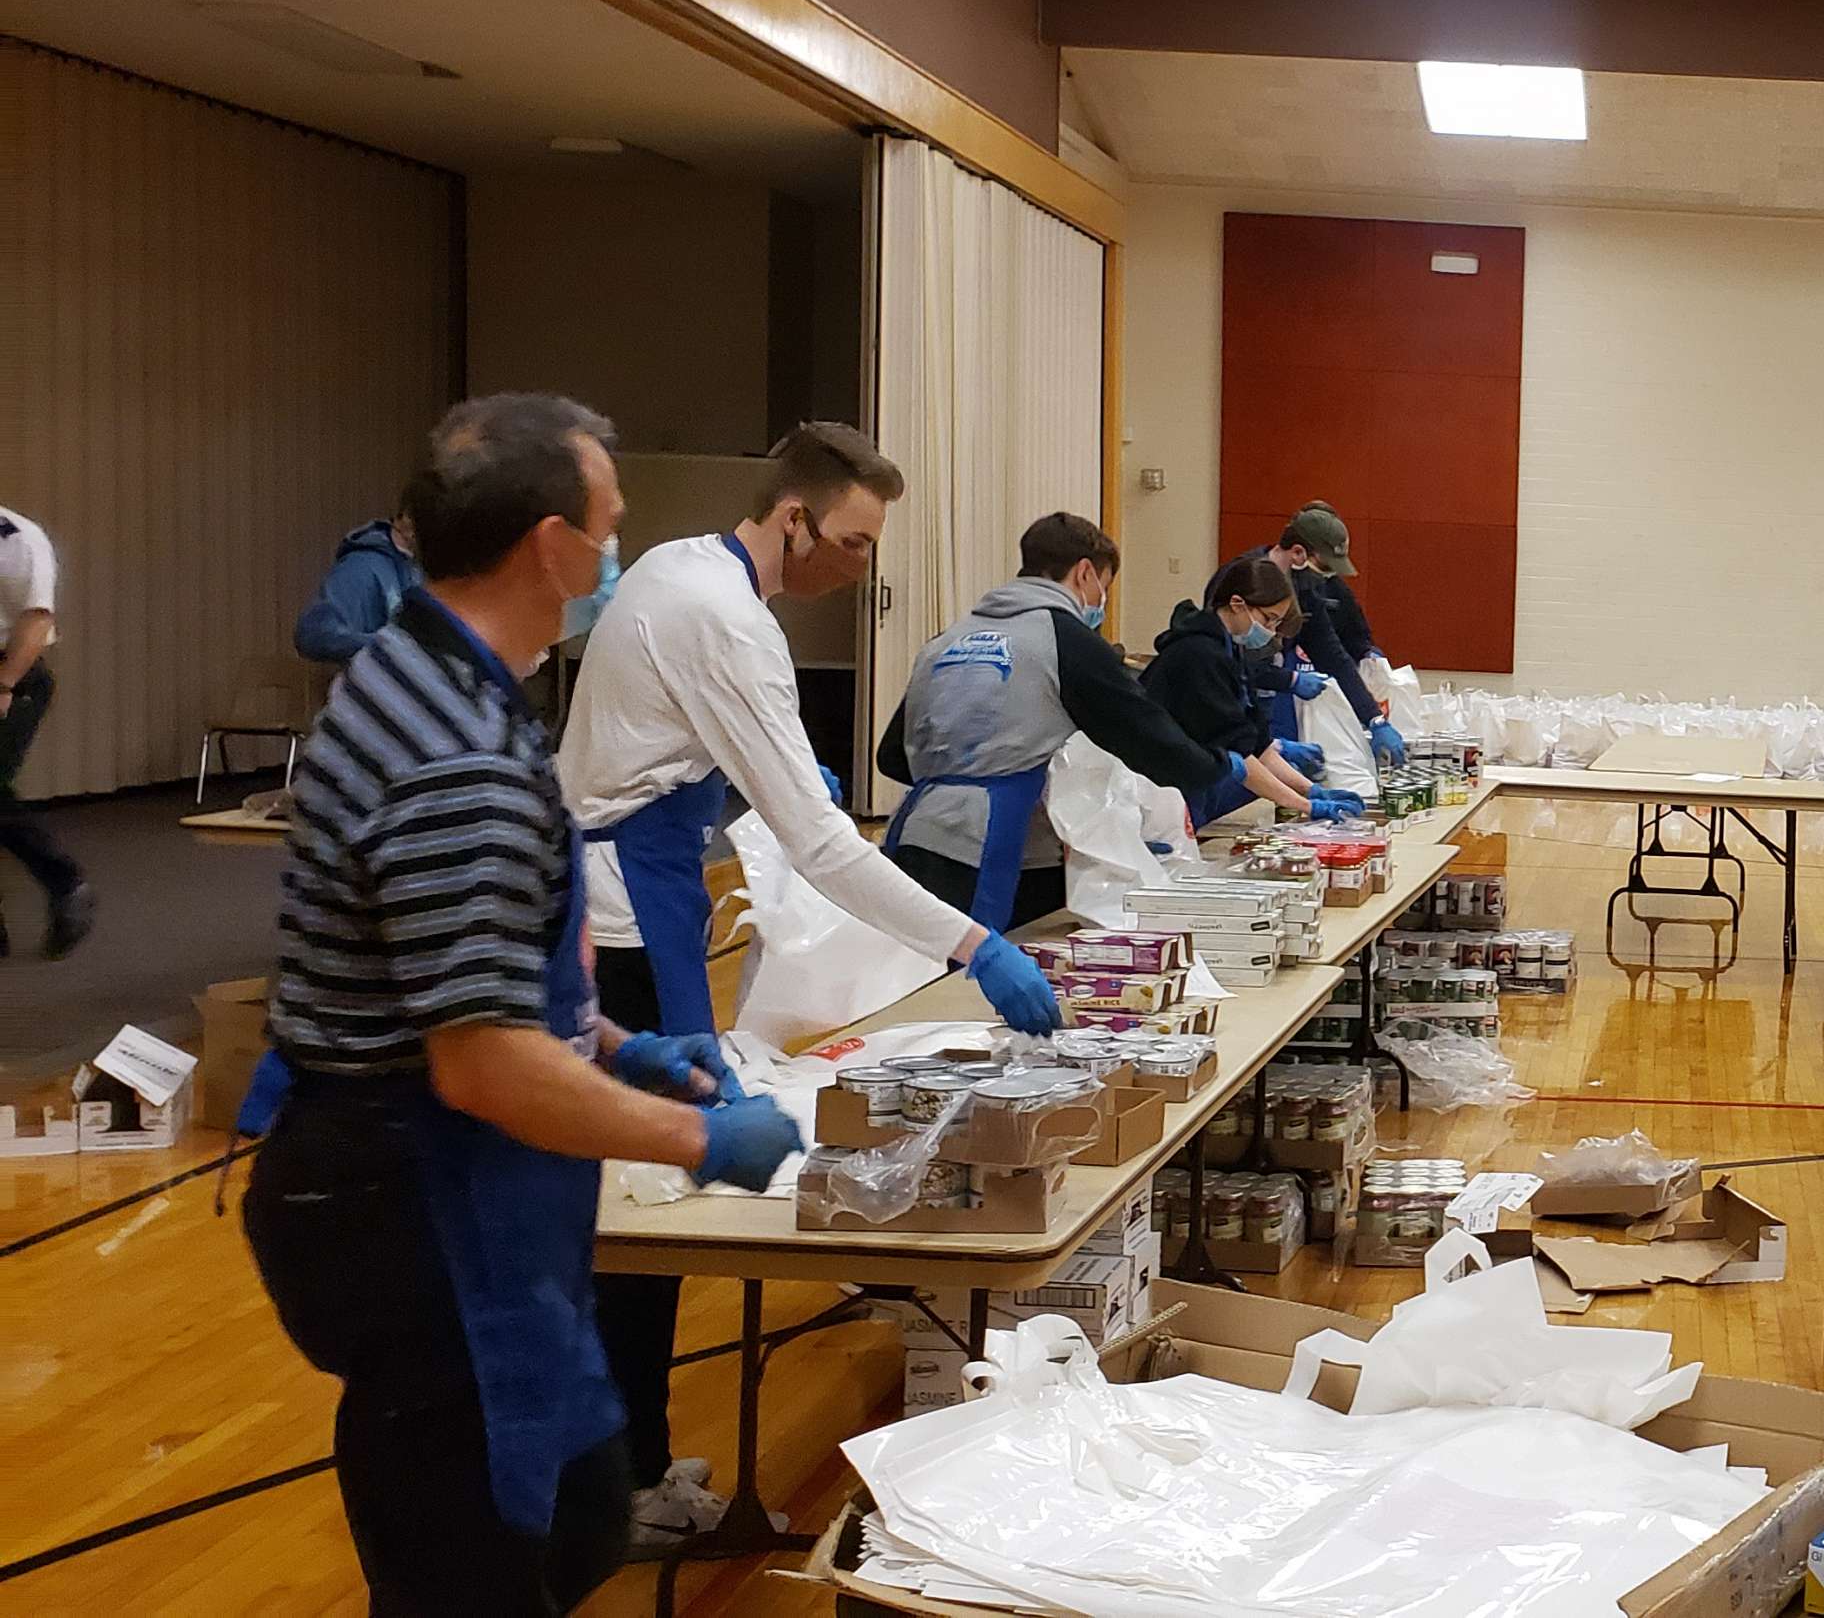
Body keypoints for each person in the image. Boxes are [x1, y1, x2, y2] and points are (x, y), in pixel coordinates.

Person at [242, 394, 802, 1617]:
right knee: (477, 1554)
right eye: (607, 528)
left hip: (432, 1176)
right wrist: (705, 1140)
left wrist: (609, 1046)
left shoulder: (432, 672)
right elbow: (483, 1065)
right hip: (418, 1202)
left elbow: (454, 963)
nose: (614, 554)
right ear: (550, 544)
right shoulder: (457, 755)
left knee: (580, 1509)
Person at [558, 421, 1060, 1545]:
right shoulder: (723, 617)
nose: (859, 566)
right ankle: (605, 1492)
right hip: (621, 925)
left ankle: (628, 1459)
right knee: (644, 1225)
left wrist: (755, 787)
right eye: (850, 539)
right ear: (792, 517)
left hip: (646, 900)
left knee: (649, 1219)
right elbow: (827, 850)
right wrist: (975, 948)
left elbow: (666, 754)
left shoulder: (679, 568)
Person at [880, 515, 1333, 930]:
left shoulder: (946, 639)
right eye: (1105, 588)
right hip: (1008, 849)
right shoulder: (1066, 638)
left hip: (918, 835)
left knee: (926, 980)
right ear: (1084, 573)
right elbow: (1147, 738)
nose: (1100, 603)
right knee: (983, 986)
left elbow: (892, 757)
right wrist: (1221, 767)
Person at [1143, 554, 1353, 828]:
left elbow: (1256, 742)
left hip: (1193, 779)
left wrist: (1309, 790)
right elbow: (1236, 747)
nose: (1270, 631)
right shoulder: (1199, 654)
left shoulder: (1231, 650)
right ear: (1237, 604)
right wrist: (1305, 805)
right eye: (1268, 620)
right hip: (1164, 784)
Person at [1239, 503, 1404, 769]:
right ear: (1298, 552)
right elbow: (1229, 665)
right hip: (1231, 709)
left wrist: (1375, 720)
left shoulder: (1305, 588)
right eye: (1325, 564)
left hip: (1266, 706)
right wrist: (1290, 679)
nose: (1329, 574)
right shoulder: (1241, 579)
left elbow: (1333, 655)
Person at [0, 503, 90, 959]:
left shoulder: (17, 538)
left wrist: (5, 684)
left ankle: (67, 883)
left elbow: (38, 617)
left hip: (13, 674)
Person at [295, 513, 422, 665]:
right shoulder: (362, 567)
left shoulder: (420, 570)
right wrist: (392, 648)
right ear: (407, 520)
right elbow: (314, 634)